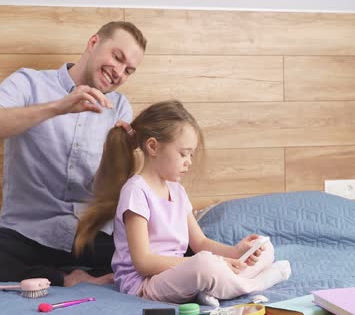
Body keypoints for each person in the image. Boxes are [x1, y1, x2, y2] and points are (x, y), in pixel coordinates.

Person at [0, 21, 147, 287]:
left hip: (90, 239)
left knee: (179, 249)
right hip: (29, 237)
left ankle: (58, 270)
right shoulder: (29, 82)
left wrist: (117, 158)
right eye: (117, 57)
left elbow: (106, 194)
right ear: (93, 43)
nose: (119, 72)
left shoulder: (119, 107)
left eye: (129, 70)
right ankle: (60, 278)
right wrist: (58, 107)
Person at [74, 100, 291, 306]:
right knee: (205, 264)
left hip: (177, 274)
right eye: (183, 154)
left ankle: (212, 286)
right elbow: (143, 262)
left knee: (264, 247)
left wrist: (235, 252)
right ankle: (255, 284)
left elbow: (201, 243)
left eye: (191, 155)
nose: (188, 162)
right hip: (145, 283)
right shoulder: (135, 191)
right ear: (153, 146)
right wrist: (211, 262)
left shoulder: (177, 190)